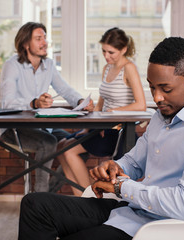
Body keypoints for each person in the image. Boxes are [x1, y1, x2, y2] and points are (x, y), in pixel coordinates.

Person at [17, 37, 184, 240]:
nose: (157, 97)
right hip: (130, 210)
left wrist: (122, 188)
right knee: (34, 205)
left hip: (161, 226)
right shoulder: (162, 117)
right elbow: (133, 162)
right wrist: (115, 168)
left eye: (166, 89)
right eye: (152, 87)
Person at [0, 22, 94, 193]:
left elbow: (64, 89)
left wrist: (80, 101)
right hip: (15, 128)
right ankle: (40, 198)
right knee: (48, 143)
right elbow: (6, 102)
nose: (45, 42)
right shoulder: (12, 65)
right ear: (26, 44)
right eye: (38, 38)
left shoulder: (48, 65)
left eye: (45, 38)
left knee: (79, 144)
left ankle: (46, 194)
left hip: (43, 126)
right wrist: (34, 103)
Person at [57, 27, 146, 196]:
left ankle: (90, 196)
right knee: (61, 146)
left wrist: (112, 112)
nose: (106, 56)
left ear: (124, 49)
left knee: (68, 150)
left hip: (118, 132)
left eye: (111, 52)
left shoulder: (129, 68)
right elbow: (101, 102)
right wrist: (88, 126)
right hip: (102, 127)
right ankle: (81, 198)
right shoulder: (107, 68)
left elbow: (140, 104)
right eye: (104, 51)